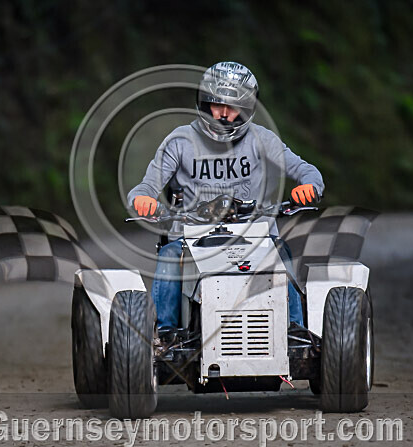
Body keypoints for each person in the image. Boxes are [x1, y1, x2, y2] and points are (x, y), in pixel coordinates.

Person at [127, 61, 324, 336]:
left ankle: (295, 332)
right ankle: (165, 334)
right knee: (171, 255)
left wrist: (309, 186)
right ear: (204, 103)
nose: (223, 114)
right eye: (216, 104)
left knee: (279, 252)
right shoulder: (179, 141)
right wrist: (143, 199)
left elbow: (306, 171)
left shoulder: (262, 139)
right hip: (190, 237)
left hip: (256, 235)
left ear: (246, 109)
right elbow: (145, 187)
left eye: (233, 107)